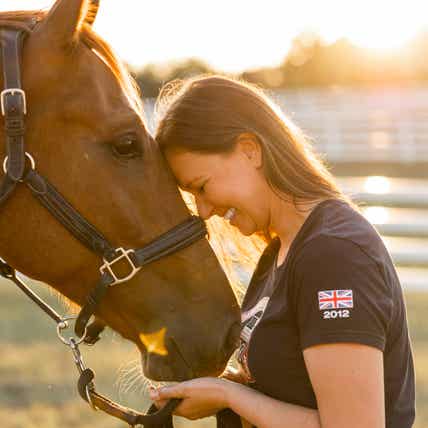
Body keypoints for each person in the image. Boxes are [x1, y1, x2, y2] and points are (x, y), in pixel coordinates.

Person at [148, 75, 415, 428]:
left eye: (202, 187)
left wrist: (231, 397)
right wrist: (223, 387)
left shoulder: (333, 254)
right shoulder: (281, 253)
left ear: (250, 150)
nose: (203, 210)